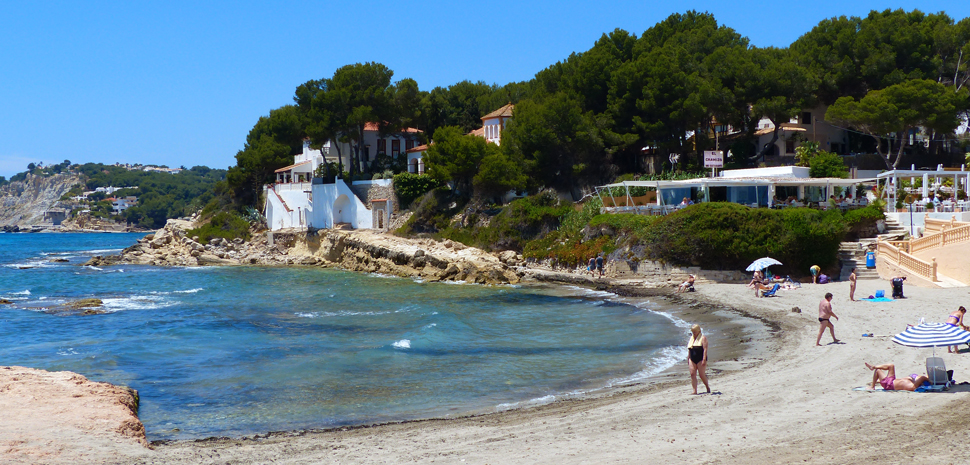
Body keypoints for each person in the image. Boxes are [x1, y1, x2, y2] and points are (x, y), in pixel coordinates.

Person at [687, 324, 710, 395]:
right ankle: (694, 390)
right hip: (692, 358)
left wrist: (704, 359)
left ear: (699, 331)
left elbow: (705, 349)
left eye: (695, 331)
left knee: (701, 375)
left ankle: (707, 387)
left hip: (700, 358)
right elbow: (690, 349)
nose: (694, 333)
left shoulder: (703, 338)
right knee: (692, 374)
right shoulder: (691, 338)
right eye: (693, 332)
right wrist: (688, 357)